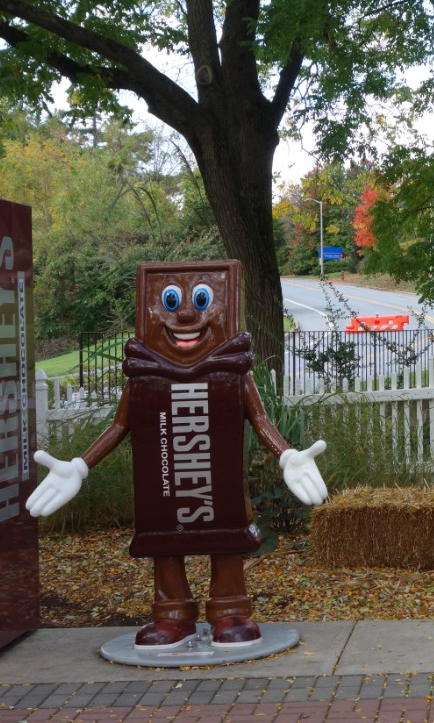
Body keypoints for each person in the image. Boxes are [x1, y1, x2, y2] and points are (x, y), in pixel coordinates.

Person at [27, 260, 328, 650]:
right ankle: (172, 613)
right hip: (165, 489)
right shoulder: (144, 380)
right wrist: (79, 466)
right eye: (171, 301)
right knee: (164, 535)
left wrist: (288, 455)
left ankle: (229, 608)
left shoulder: (234, 374)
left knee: (226, 531)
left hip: (218, 487)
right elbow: (119, 426)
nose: (186, 313)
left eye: (202, 300)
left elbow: (261, 418)